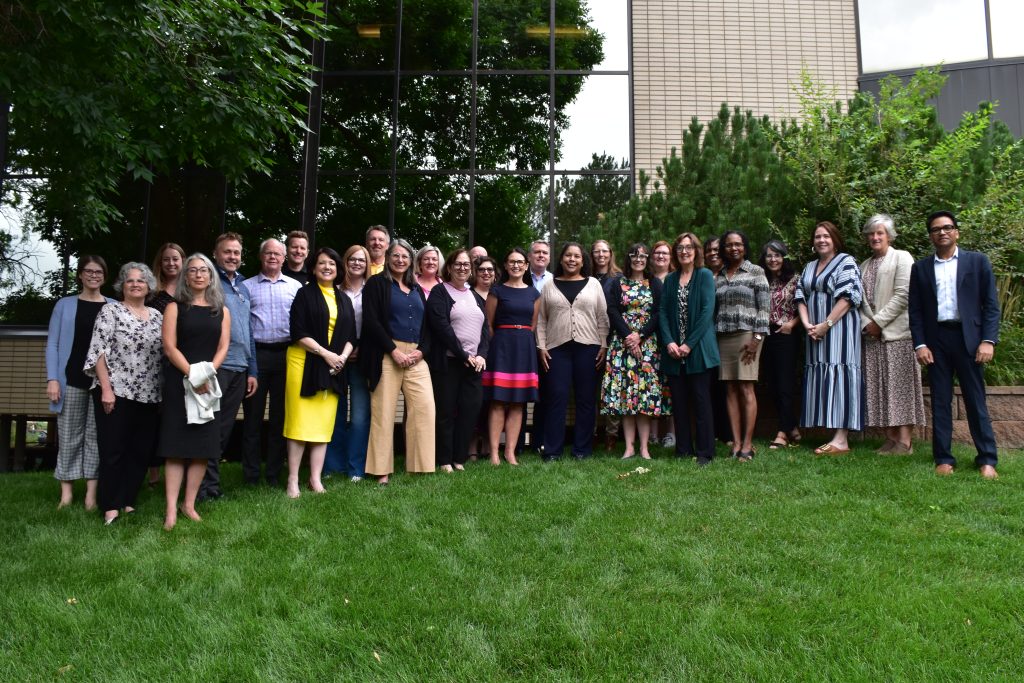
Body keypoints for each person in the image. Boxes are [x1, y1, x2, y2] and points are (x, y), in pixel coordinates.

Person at [909, 211, 1000, 479]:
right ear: (931, 236)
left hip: (969, 340)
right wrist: (920, 344)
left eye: (947, 227)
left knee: (975, 400)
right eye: (936, 229)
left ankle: (987, 459)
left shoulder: (977, 261)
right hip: (936, 340)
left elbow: (991, 306)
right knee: (940, 400)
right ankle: (944, 458)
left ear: (956, 232)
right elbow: (915, 311)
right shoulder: (921, 268)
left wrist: (988, 340)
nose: (942, 232)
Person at [84, 263, 163, 525]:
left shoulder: (158, 316)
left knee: (140, 450)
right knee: (113, 449)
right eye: (130, 281)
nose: (136, 284)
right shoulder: (110, 311)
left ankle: (128, 499)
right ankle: (110, 505)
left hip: (149, 394)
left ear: (149, 286)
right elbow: (98, 351)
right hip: (116, 391)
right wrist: (106, 389)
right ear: (122, 286)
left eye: (141, 280)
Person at [159, 253, 231, 530]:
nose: (199, 275)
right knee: (176, 448)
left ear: (211, 277)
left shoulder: (221, 310)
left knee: (202, 447)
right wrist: (193, 375)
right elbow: (169, 347)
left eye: (204, 270)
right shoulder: (174, 308)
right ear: (185, 277)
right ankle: (170, 509)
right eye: (193, 270)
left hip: (208, 385)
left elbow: (223, 347)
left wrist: (206, 375)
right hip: (180, 382)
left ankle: (188, 505)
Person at [360, 239, 435, 484]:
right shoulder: (376, 284)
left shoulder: (416, 289)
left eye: (405, 256)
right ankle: (381, 470)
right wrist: (393, 351)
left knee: (424, 409)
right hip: (387, 353)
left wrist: (421, 352)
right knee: (383, 413)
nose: (400, 260)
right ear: (388, 258)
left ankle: (420, 467)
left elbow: (427, 326)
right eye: (396, 255)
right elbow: (371, 321)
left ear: (411, 261)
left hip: (415, 357)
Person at [283, 247, 355, 498]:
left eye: (332, 264)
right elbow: (298, 331)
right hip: (304, 363)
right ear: (313, 268)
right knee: (299, 423)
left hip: (334, 367)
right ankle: (293, 480)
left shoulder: (343, 298)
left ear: (338, 269)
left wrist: (341, 358)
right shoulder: (304, 294)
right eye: (322, 263)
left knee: (322, 426)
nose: (327, 267)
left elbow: (351, 336)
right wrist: (326, 354)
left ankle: (315, 479)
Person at [46, 255, 113, 510]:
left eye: (99, 272)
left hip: (102, 383)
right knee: (69, 436)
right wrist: (53, 378)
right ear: (80, 275)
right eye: (89, 271)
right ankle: (66, 494)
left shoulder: (113, 306)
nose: (94, 275)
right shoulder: (64, 305)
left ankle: (91, 496)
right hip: (71, 380)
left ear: (104, 276)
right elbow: (52, 344)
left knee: (96, 438)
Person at [198, 232, 258, 502]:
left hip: (240, 366)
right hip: (217, 365)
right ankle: (203, 487)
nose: (232, 257)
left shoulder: (243, 286)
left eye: (236, 252)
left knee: (223, 428)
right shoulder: (209, 283)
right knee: (209, 427)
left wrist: (252, 369)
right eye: (227, 252)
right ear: (216, 254)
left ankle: (210, 484)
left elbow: (249, 331)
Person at [536, 242, 609, 461]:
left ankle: (582, 450)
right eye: (568, 255)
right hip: (556, 349)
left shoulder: (594, 284)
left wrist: (603, 344)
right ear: (561, 259)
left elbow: (602, 316)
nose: (572, 259)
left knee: (586, 399)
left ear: (583, 260)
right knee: (556, 397)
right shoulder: (549, 284)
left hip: (589, 348)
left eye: (576, 256)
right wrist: (541, 346)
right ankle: (552, 450)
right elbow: (541, 319)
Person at [795, 221, 864, 455]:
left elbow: (848, 298)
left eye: (826, 236)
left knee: (840, 374)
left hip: (839, 329)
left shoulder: (846, 261)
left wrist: (827, 325)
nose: (821, 240)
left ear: (835, 240)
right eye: (817, 237)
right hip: (814, 331)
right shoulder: (809, 266)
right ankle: (833, 434)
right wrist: (807, 324)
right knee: (822, 373)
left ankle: (842, 440)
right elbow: (800, 296)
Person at [859, 214, 925, 454]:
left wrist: (878, 322)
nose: (875, 237)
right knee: (879, 388)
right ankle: (890, 438)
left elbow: (904, 295)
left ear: (889, 235)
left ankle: (905, 442)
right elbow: (859, 301)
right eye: (871, 233)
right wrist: (867, 325)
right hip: (872, 337)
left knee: (901, 388)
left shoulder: (902, 257)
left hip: (898, 335)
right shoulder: (863, 265)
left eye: (880, 233)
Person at [240, 239, 301, 486]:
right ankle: (251, 475)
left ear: (284, 258)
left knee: (280, 417)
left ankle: (274, 473)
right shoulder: (246, 287)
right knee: (252, 417)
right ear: (260, 256)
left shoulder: (295, 287)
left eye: (277, 253)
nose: (273, 257)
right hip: (257, 356)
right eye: (268, 253)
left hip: (287, 355)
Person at [659, 233, 720, 465]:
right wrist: (669, 342)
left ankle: (705, 452)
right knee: (679, 402)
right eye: (680, 248)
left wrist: (688, 344)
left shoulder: (704, 276)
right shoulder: (670, 279)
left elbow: (707, 312)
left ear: (696, 251)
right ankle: (683, 449)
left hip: (699, 350)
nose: (684, 251)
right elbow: (663, 312)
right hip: (674, 352)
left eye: (689, 247)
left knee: (701, 402)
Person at [427, 249, 490, 472]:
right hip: (449, 362)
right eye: (458, 264)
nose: (462, 268)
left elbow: (485, 330)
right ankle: (444, 460)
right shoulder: (439, 292)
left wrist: (481, 355)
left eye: (466, 265)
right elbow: (441, 327)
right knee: (445, 411)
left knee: (470, 411)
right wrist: (463, 355)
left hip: (474, 365)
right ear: (449, 267)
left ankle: (459, 458)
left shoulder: (475, 296)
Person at [601, 243, 663, 459]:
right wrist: (629, 337)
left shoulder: (655, 283)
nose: (638, 259)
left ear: (648, 259)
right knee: (626, 396)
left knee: (644, 397)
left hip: (647, 345)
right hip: (622, 344)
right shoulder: (617, 282)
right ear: (628, 258)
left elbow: (658, 312)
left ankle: (644, 448)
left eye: (643, 256)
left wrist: (640, 336)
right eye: (634, 256)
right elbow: (612, 310)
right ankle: (629, 447)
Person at [714, 230, 769, 461]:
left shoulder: (756, 272)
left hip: (748, 336)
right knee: (730, 389)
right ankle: (735, 443)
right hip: (723, 336)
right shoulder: (718, 276)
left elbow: (764, 308)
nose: (733, 248)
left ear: (744, 247)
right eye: (728, 245)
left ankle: (747, 444)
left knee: (746, 388)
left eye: (738, 244)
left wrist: (757, 339)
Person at [482, 248, 539, 466]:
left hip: (524, 349)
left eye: (520, 262)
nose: (516, 265)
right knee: (498, 402)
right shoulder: (496, 291)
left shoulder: (534, 294)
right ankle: (494, 453)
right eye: (512, 262)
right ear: (506, 265)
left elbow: (533, 325)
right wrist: (496, 347)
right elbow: (488, 324)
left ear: (526, 266)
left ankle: (510, 452)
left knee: (518, 403)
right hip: (501, 348)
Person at [325, 245, 372, 482]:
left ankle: (356, 468)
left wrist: (361, 348)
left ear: (367, 264)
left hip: (363, 357)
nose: (356, 263)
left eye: (361, 260)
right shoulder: (333, 289)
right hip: (337, 358)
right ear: (345, 262)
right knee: (335, 413)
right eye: (352, 259)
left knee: (360, 417)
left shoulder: (372, 290)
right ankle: (334, 467)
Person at [759, 240, 803, 450]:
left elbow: (805, 307)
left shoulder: (796, 279)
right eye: (769, 255)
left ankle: (783, 433)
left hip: (786, 335)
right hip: (765, 335)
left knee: (785, 384)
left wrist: (792, 324)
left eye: (777, 255)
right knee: (772, 384)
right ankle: (792, 426)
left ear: (784, 258)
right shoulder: (761, 280)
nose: (773, 259)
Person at [468, 255, 499, 460]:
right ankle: (471, 444)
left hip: (496, 352)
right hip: (474, 353)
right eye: (481, 270)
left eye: (490, 270)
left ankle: (488, 443)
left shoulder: (499, 294)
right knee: (473, 400)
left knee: (491, 399)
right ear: (475, 273)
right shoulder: (468, 295)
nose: (486, 273)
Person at [649, 239, 676, 448]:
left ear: (670, 257)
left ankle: (671, 433)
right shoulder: (645, 280)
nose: (660, 256)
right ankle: (652, 434)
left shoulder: (676, 279)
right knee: (651, 386)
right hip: (649, 339)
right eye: (657, 253)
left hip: (671, 339)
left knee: (671, 387)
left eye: (665, 253)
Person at [704, 237, 730, 445]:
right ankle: (713, 431)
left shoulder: (729, 274)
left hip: (727, 335)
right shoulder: (702, 275)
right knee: (710, 385)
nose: (713, 253)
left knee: (727, 386)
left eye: (716, 249)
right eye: (709, 250)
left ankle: (728, 433)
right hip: (706, 337)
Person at [149, 242, 185, 314]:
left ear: (183, 261)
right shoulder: (151, 290)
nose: (171, 263)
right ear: (160, 263)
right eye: (166, 259)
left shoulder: (191, 289)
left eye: (175, 259)